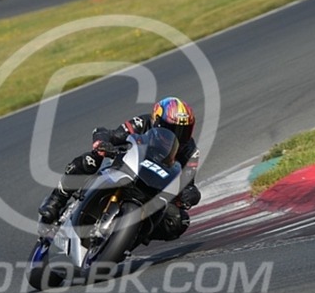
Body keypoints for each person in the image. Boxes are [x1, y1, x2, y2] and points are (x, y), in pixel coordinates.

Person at [38, 96, 202, 242]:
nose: (177, 135)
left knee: (179, 221)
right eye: (171, 128)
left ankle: (133, 235)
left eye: (184, 131)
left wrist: (190, 194)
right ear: (157, 121)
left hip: (154, 189)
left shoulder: (190, 150)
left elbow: (188, 182)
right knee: (91, 160)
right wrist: (102, 143)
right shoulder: (142, 123)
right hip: (126, 168)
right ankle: (56, 200)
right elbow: (110, 134)